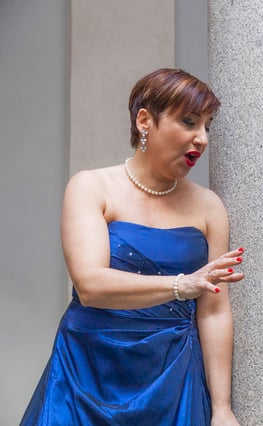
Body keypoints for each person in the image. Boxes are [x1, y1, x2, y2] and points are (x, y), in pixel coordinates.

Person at [21, 68, 244, 425]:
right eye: (189, 121)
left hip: (174, 376)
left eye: (207, 126)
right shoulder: (91, 187)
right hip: (88, 369)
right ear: (145, 120)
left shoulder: (209, 207)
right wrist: (179, 285)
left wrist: (221, 408)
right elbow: (90, 286)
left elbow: (214, 311)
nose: (201, 138)